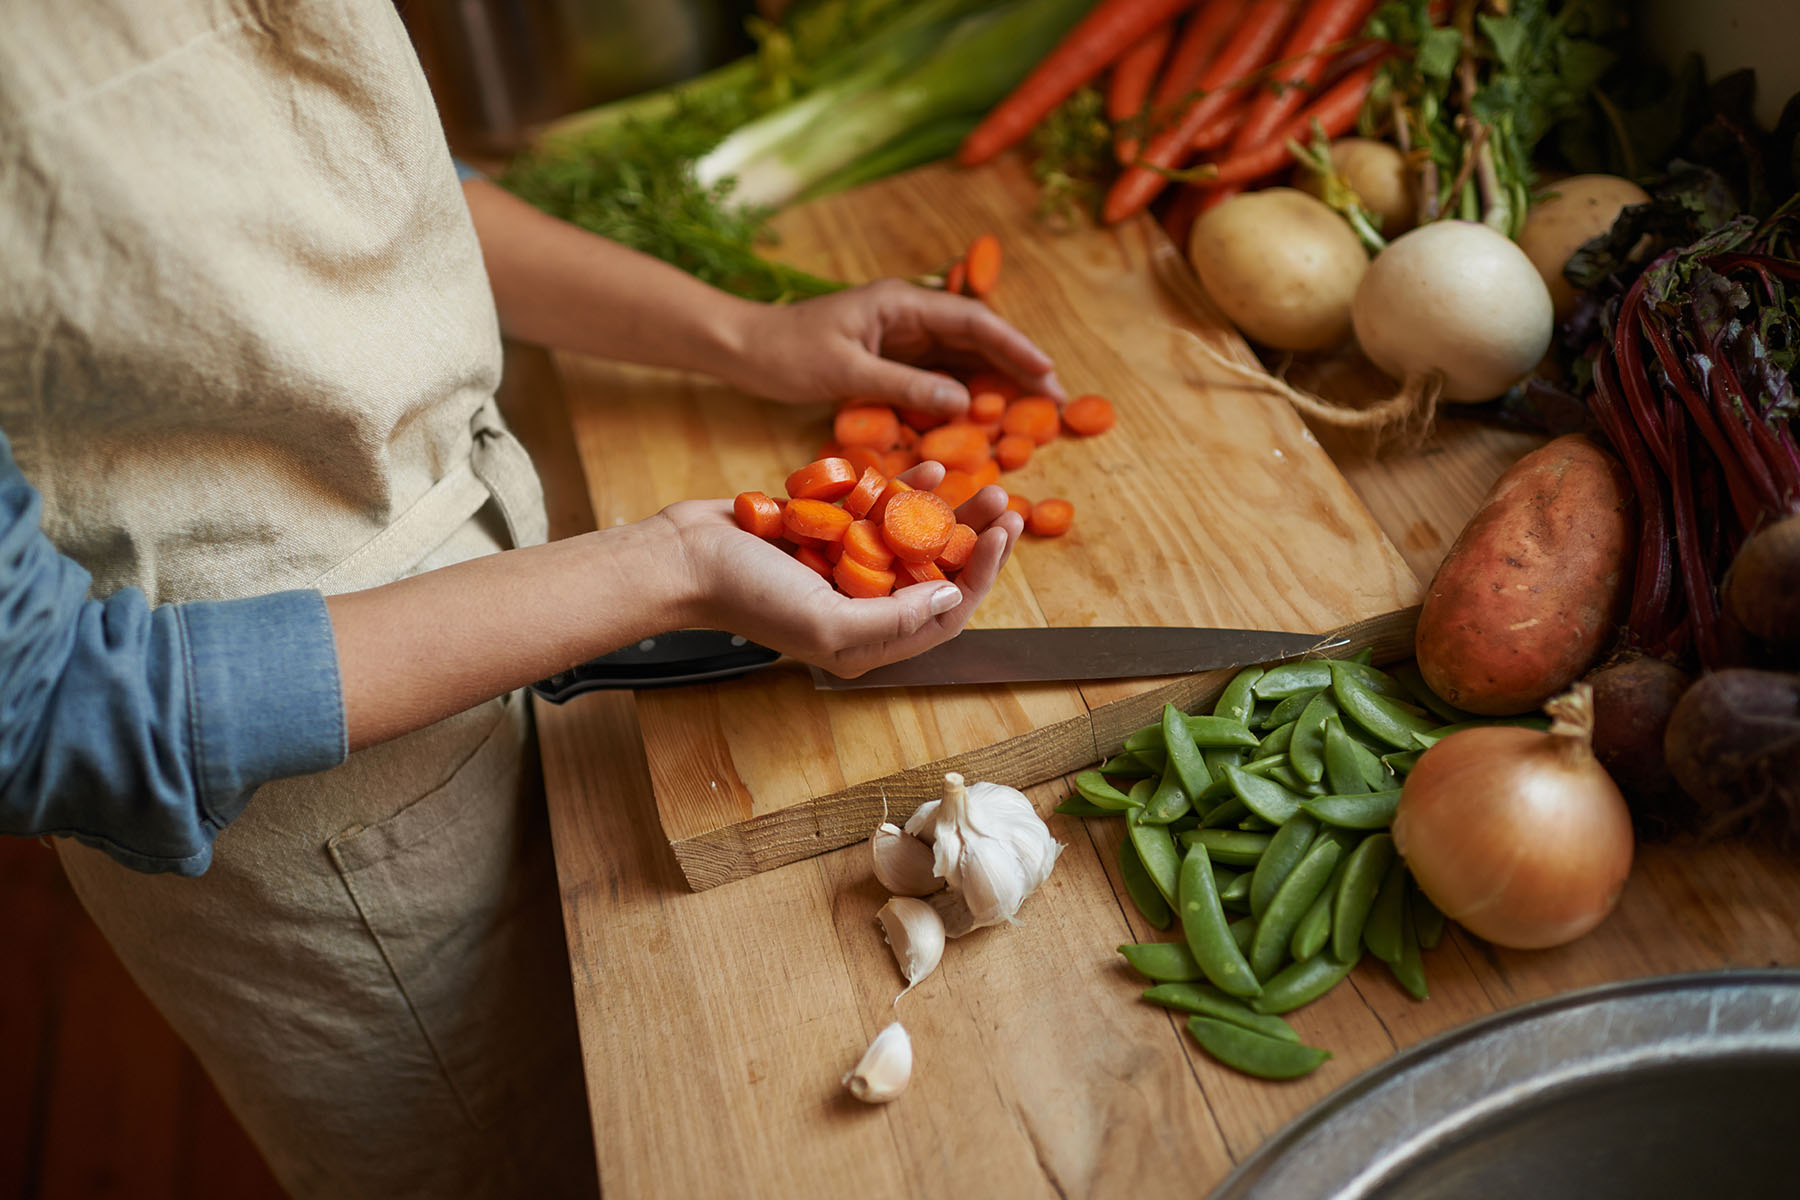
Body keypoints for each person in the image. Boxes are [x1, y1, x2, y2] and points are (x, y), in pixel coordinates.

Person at [0, 2, 1060, 1197]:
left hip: (519, 591)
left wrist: (750, 335)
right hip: (320, 807)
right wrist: (666, 567)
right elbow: (47, 709)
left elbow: (366, 181)